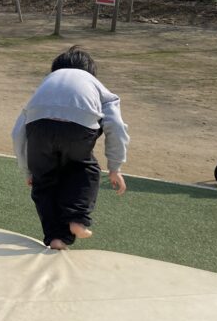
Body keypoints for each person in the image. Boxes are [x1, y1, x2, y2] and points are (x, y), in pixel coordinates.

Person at [11, 46, 129, 250]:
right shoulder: (97, 86)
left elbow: (17, 133)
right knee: (84, 169)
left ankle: (55, 237)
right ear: (91, 72)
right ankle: (77, 220)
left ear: (55, 69)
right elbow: (116, 125)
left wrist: (30, 170)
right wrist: (115, 167)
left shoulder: (45, 84)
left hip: (39, 126)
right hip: (79, 128)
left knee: (44, 182)